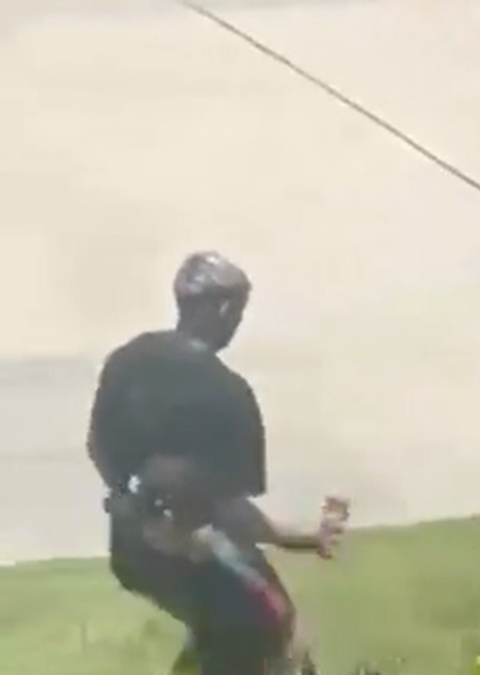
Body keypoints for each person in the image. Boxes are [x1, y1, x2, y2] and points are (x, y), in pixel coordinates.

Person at [87, 251, 341, 674]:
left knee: (220, 634)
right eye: (238, 310)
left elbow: (97, 446)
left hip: (131, 549)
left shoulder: (126, 360)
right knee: (277, 623)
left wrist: (127, 499)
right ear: (224, 307)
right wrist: (303, 537)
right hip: (194, 549)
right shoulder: (228, 395)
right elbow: (229, 510)